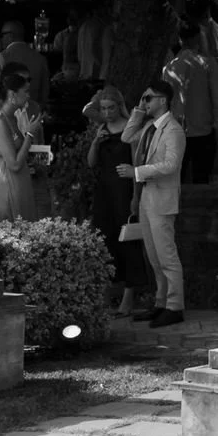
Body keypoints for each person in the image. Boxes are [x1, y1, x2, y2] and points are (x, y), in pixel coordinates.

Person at [118, 80, 186, 326]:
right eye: (144, 97)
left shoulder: (173, 130)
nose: (145, 101)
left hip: (162, 199)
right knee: (154, 257)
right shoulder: (149, 127)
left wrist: (137, 172)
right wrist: (138, 110)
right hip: (147, 197)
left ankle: (175, 306)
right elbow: (126, 136)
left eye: (149, 98)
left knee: (166, 255)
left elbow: (171, 165)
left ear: (163, 100)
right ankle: (161, 302)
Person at [85, 85, 140, 315]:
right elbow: (91, 163)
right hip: (104, 190)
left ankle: (129, 295)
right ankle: (108, 292)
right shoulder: (102, 129)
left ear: (120, 106)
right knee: (105, 239)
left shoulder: (131, 130)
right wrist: (96, 141)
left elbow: (138, 164)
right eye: (104, 108)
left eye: (111, 107)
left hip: (124, 189)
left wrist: (136, 197)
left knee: (128, 241)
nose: (107, 112)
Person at [164, 18, 218, 184]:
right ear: (198, 38)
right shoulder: (208, 64)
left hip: (176, 128)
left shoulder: (170, 67)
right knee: (202, 177)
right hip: (203, 128)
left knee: (176, 179)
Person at [0, 62, 40, 222]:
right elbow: (14, 164)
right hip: (8, 188)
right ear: (12, 95)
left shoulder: (12, 118)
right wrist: (30, 134)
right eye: (25, 92)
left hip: (21, 186)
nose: (28, 96)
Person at [0, 18, 50, 113]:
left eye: (3, 35)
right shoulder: (40, 58)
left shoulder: (2, 57)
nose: (1, 39)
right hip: (31, 118)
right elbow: (44, 95)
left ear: (10, 36)